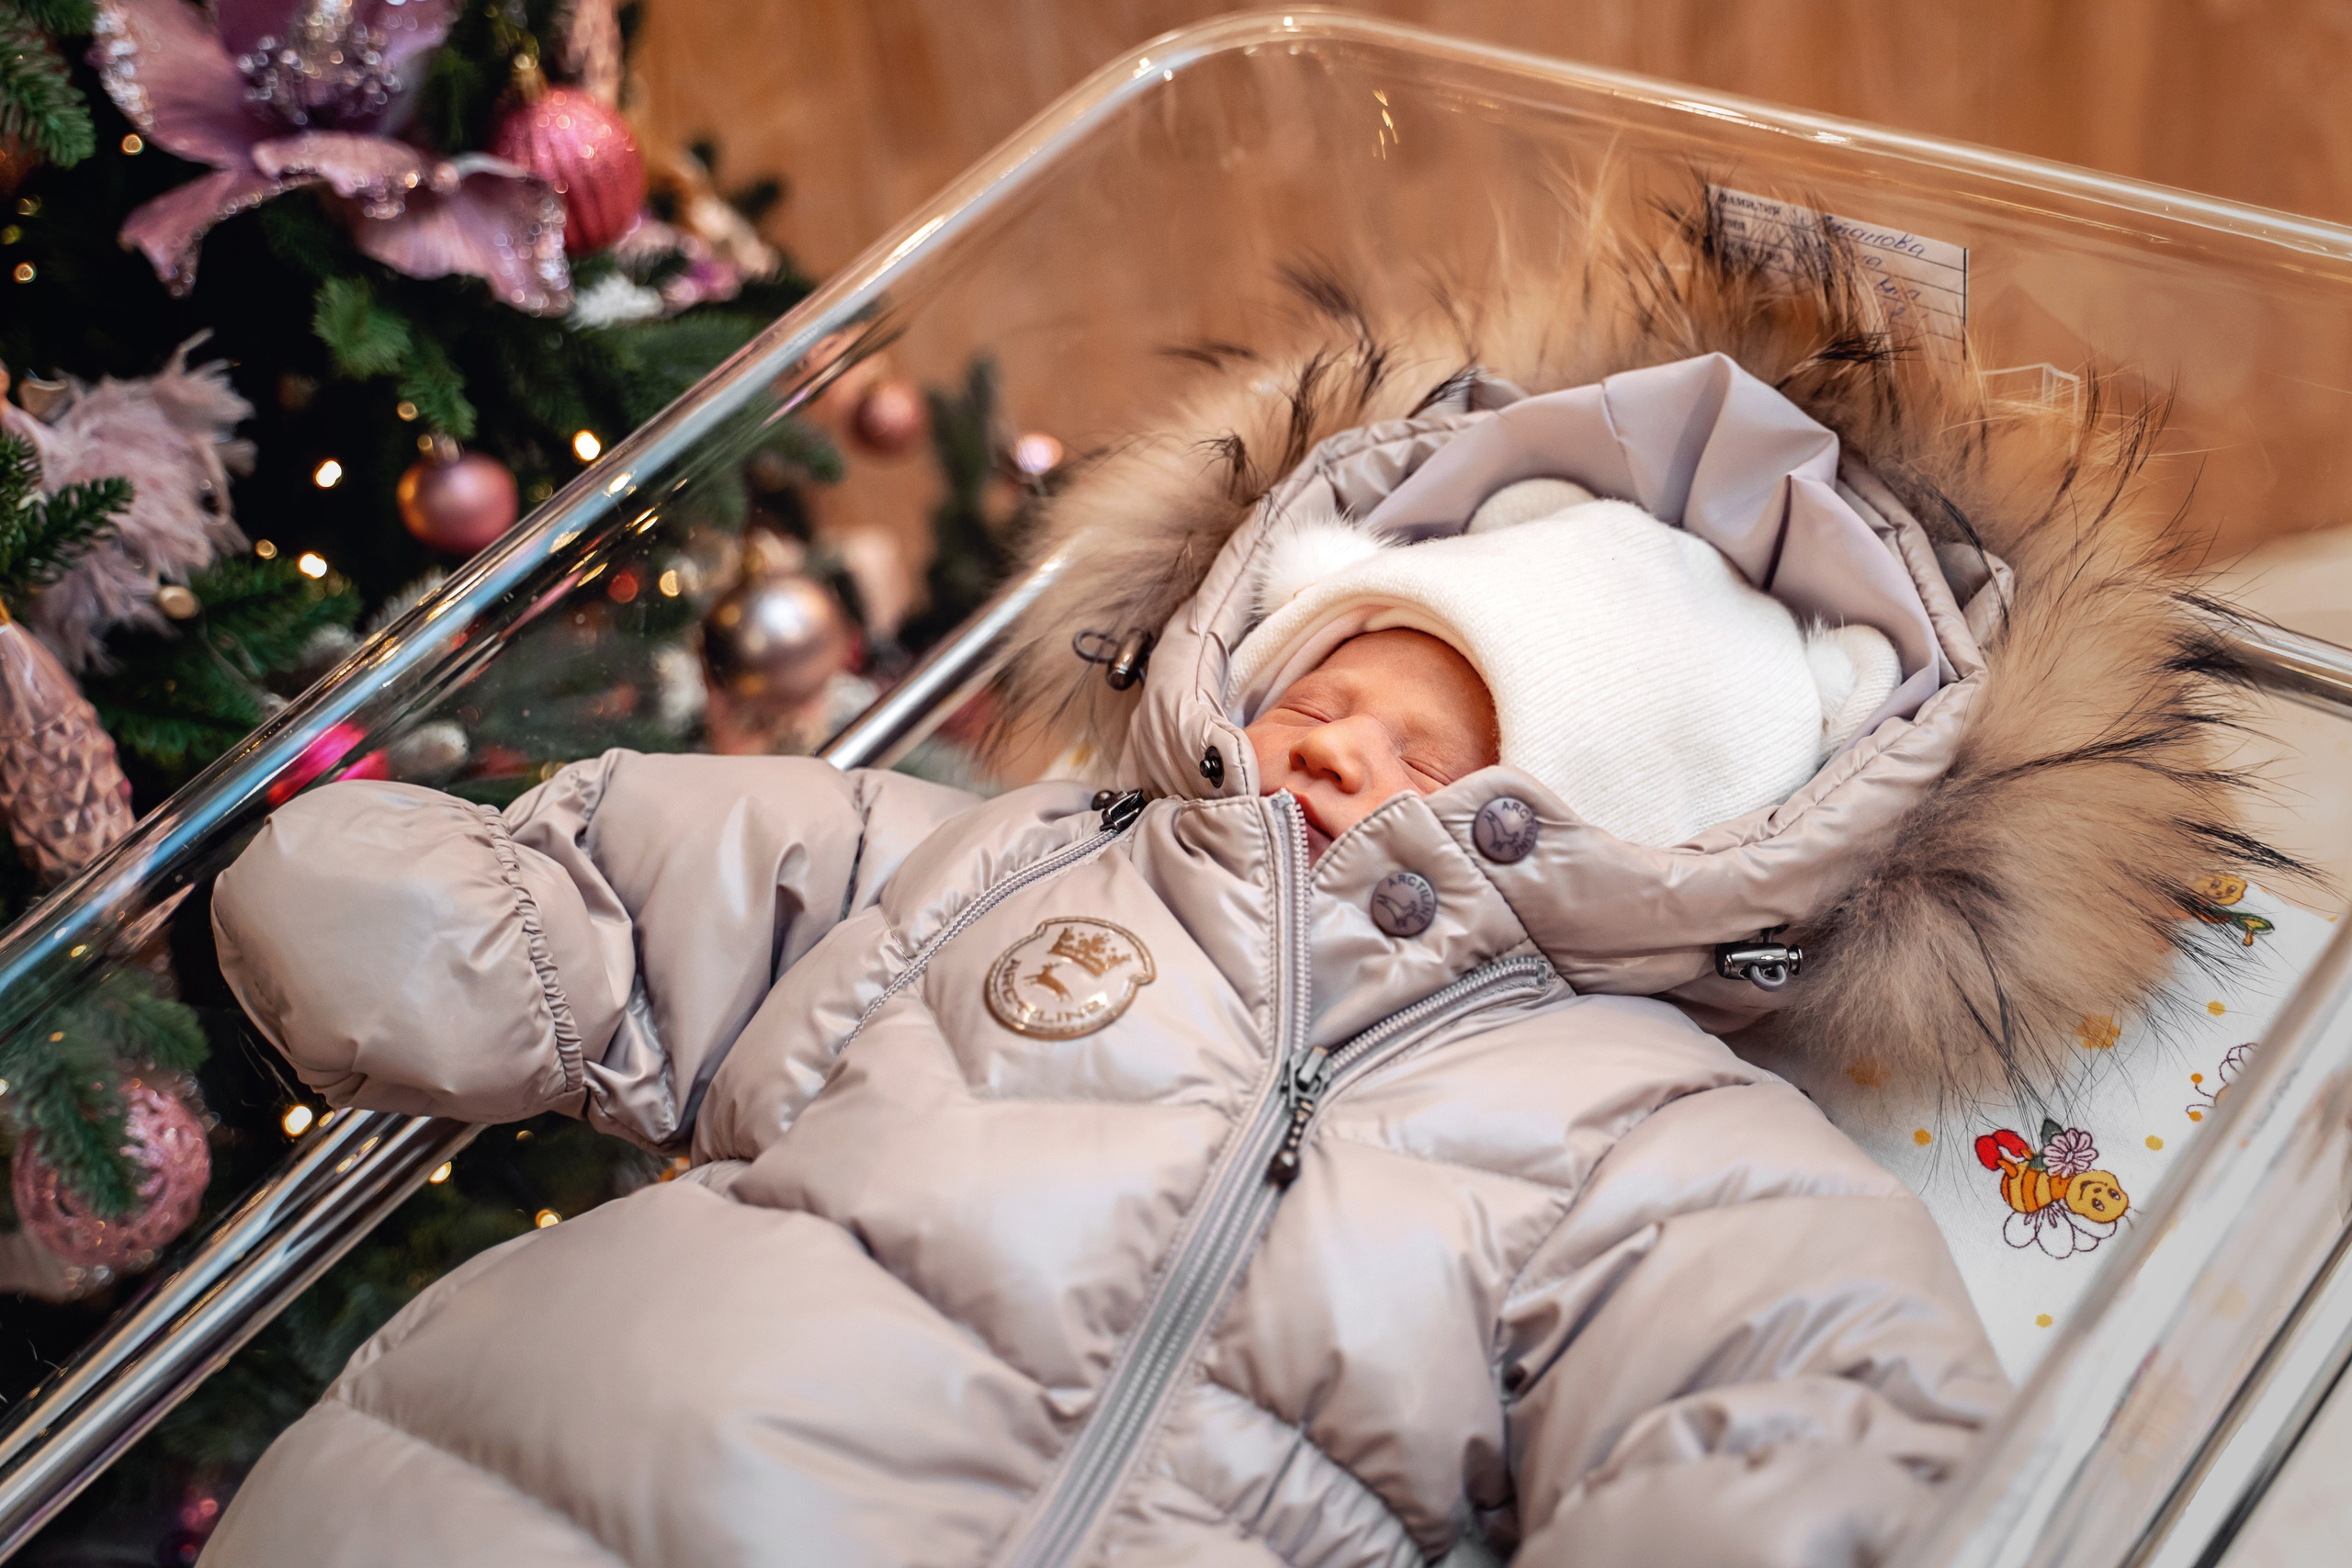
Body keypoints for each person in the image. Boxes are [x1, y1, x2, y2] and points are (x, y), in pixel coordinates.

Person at [199, 230, 2279, 1566]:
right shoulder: (1003, 855)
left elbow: (1812, 1388)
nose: (1338, 760)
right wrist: (466, 905)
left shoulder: (1650, 1128)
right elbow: (662, 882)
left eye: (1438, 757)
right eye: (1336, 683)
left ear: (1644, 845)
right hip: (579, 1438)